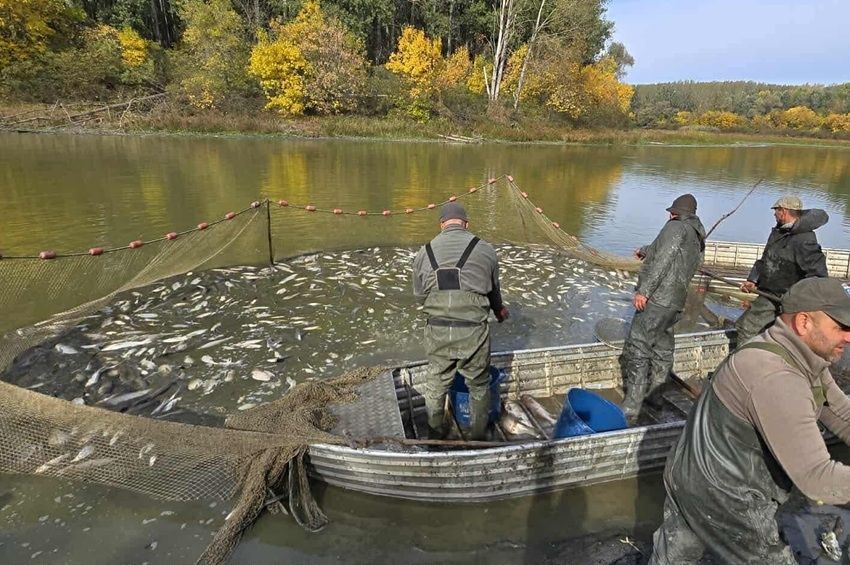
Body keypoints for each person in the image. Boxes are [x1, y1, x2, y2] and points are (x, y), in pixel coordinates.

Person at [649, 277, 850, 564]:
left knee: (673, 556)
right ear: (804, 323)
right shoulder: (777, 378)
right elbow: (817, 480)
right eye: (840, 327)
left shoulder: (796, 353)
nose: (849, 337)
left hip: (688, 471)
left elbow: (841, 413)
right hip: (728, 499)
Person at [412, 202, 509, 440]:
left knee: (435, 384)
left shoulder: (424, 252)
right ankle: (477, 436)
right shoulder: (485, 249)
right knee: (478, 384)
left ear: (442, 225)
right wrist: (499, 310)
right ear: (466, 224)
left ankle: (435, 436)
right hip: (473, 332)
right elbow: (493, 290)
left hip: (438, 331)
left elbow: (419, 296)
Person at [620, 194, 705, 420]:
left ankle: (631, 406)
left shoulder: (675, 228)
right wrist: (645, 250)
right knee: (662, 348)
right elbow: (667, 251)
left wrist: (644, 291)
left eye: (672, 212)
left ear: (675, 213)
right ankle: (655, 397)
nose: (669, 215)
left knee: (638, 346)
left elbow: (663, 260)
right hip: (675, 303)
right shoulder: (695, 233)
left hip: (658, 299)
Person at [736, 195, 828, 345]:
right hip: (768, 293)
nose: (774, 214)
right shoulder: (778, 232)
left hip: (789, 299)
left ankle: (745, 364)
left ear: (783, 211)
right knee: (745, 327)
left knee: (780, 336)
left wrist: (801, 300)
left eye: (776, 210)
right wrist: (752, 280)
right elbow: (765, 259)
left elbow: (818, 276)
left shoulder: (805, 240)